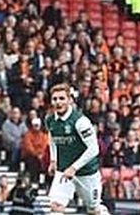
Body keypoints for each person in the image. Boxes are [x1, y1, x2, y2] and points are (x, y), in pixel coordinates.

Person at [45, 83, 108, 214]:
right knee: (55, 206)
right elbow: (52, 138)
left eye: (62, 98)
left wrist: (74, 168)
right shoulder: (50, 120)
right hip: (63, 171)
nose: (58, 102)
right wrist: (53, 160)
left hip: (86, 172)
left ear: (69, 100)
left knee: (94, 209)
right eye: (55, 99)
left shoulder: (81, 122)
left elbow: (94, 149)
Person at [21, 117, 49, 182]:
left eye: (37, 125)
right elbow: (29, 147)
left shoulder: (43, 135)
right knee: (33, 162)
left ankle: (43, 181)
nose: (36, 127)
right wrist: (37, 154)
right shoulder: (27, 135)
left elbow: (44, 146)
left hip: (41, 156)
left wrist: (40, 154)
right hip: (30, 156)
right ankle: (33, 180)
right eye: (35, 125)